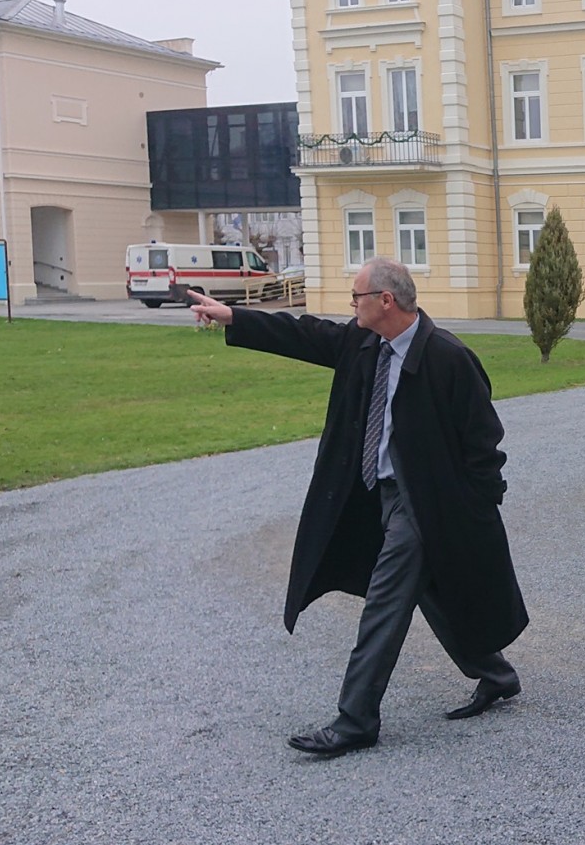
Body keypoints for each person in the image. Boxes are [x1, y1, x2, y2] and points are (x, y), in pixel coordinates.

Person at [187, 257, 528, 757]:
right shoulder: (364, 343)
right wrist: (233, 316)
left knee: (385, 600)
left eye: (357, 296)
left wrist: (476, 507)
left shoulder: (448, 357)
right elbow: (304, 334)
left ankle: (356, 718)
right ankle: (495, 674)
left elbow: (483, 441)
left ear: (385, 301)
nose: (351, 305)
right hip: (382, 494)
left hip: (429, 505)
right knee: (428, 587)